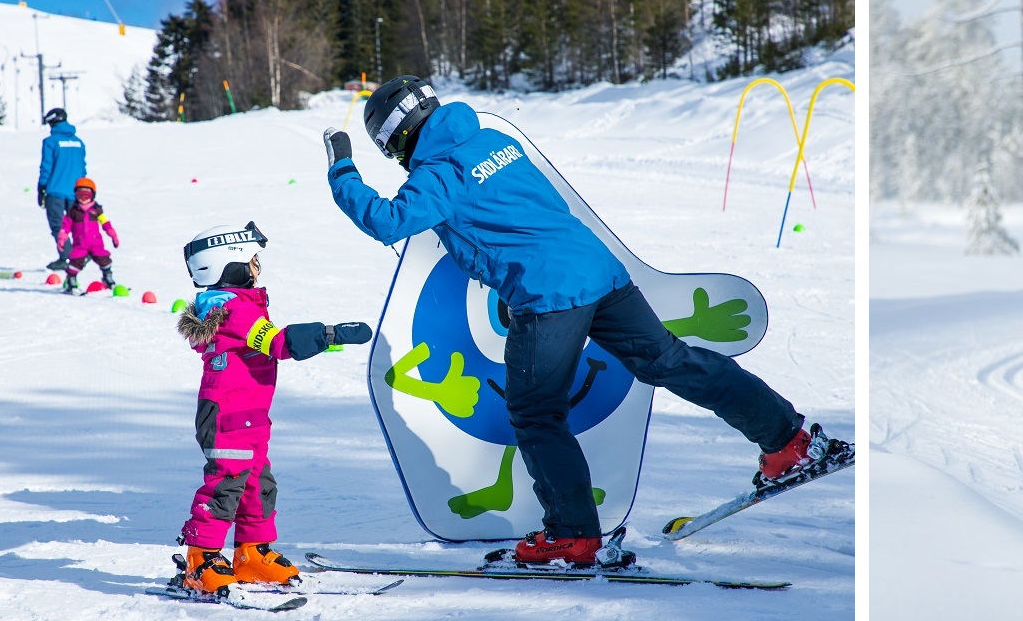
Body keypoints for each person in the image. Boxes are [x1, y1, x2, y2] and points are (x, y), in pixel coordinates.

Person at [320, 75, 851, 568]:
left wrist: (342, 168)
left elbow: (386, 221)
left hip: (549, 295)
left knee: (533, 412)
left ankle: (572, 535)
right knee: (668, 359)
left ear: (396, 138)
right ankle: (788, 440)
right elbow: (532, 210)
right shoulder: (492, 144)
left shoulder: (438, 174)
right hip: (601, 273)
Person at [170, 222, 375, 595]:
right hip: (228, 416)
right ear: (229, 265)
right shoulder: (234, 311)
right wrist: (330, 334)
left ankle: (252, 553)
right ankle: (200, 561)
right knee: (225, 486)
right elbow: (278, 343)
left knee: (257, 485)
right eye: (252, 262)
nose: (257, 269)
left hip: (248, 415)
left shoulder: (239, 307)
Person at [37, 108, 88, 270]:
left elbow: (46, 167)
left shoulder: (50, 142)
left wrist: (42, 188)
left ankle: (66, 257)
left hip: (56, 190)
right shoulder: (79, 142)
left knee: (58, 225)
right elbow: (82, 168)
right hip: (76, 191)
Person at [56, 178, 119, 294]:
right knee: (76, 261)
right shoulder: (73, 211)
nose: (83, 199)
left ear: (93, 195)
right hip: (80, 244)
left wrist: (112, 234)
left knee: (103, 259)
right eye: (80, 195)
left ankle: (107, 277)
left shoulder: (97, 210)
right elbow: (66, 226)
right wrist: (62, 237)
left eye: (86, 195)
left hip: (96, 243)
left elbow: (105, 223)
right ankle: (71, 281)